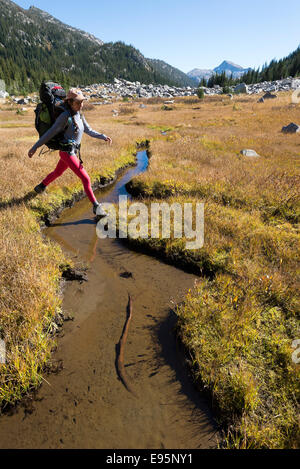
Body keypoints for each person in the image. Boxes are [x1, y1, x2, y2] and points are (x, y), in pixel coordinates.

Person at [28, 88, 112, 216]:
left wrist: (103, 136)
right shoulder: (64, 116)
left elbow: (88, 130)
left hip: (69, 152)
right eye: (78, 102)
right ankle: (96, 207)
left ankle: (41, 186)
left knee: (57, 172)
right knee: (86, 179)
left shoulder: (80, 114)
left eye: (82, 102)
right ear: (70, 102)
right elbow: (50, 133)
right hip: (67, 153)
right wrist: (35, 147)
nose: (81, 104)